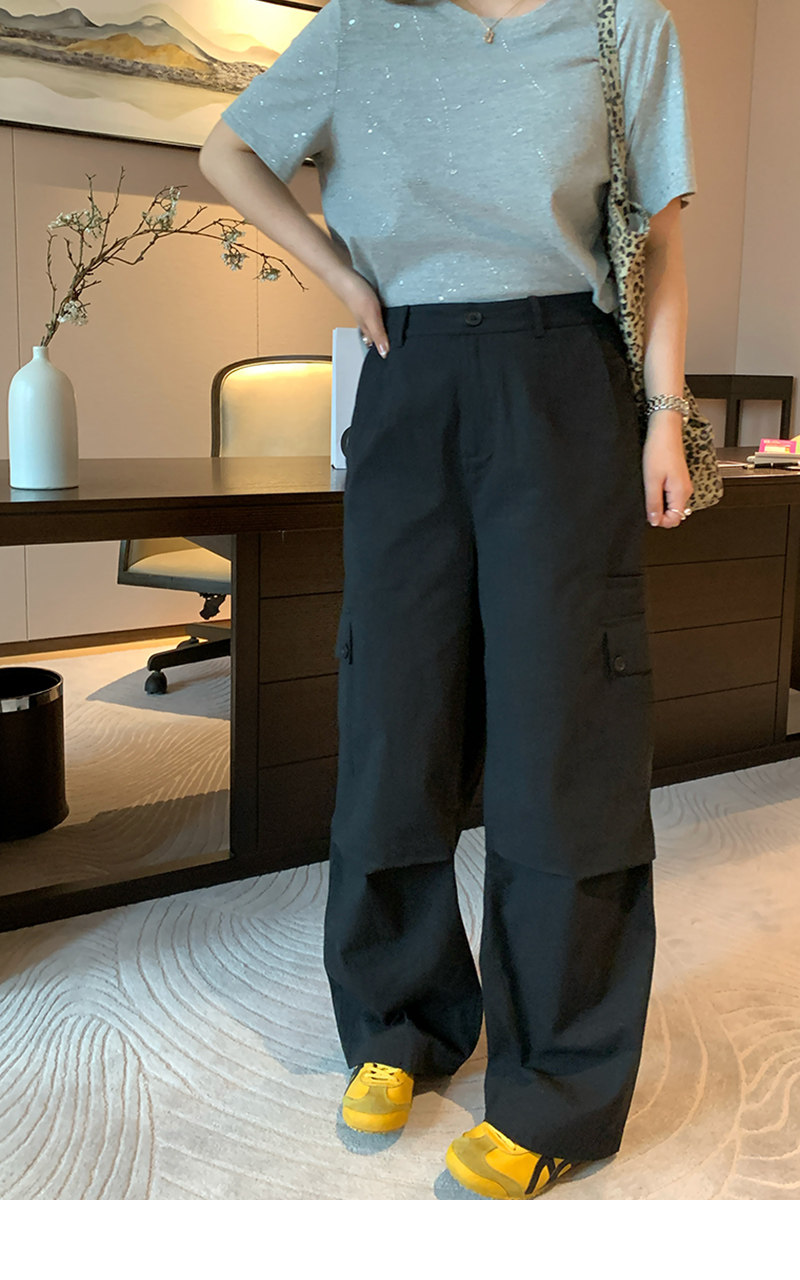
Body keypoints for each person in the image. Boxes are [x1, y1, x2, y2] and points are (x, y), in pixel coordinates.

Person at [199, 0, 697, 1200]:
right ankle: (399, 1020)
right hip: (406, 370)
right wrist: (337, 274)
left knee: (560, 728)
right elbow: (228, 150)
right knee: (394, 708)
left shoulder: (617, 21)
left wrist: (666, 410)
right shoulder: (358, 25)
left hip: (562, 376)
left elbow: (658, 232)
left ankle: (559, 1084)